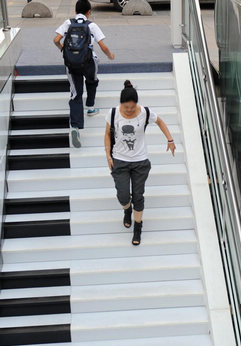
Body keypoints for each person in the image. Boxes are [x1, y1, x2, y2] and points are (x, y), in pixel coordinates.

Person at [104, 80, 176, 246]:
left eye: (132, 107)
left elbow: (160, 121)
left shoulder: (145, 112)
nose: (129, 111)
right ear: (121, 104)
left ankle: (138, 226)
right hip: (120, 160)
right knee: (122, 195)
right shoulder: (113, 113)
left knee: (138, 196)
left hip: (140, 162)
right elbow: (107, 134)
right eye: (126, 107)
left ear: (136, 104)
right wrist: (108, 156)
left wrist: (170, 140)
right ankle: (126, 209)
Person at [53, 0, 115, 148]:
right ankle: (91, 107)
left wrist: (63, 50)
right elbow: (103, 45)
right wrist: (110, 55)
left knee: (76, 94)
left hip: (71, 63)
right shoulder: (91, 25)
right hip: (88, 61)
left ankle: (75, 127)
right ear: (89, 12)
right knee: (92, 80)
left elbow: (55, 39)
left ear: (75, 11)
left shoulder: (68, 23)